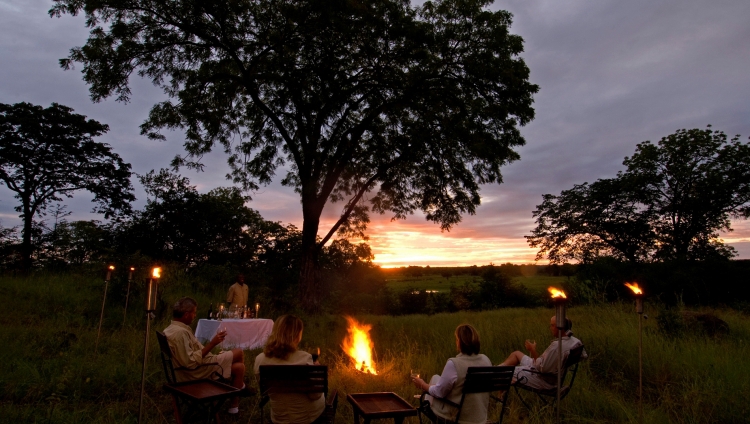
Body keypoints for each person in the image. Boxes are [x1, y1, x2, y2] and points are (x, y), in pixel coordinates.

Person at [163, 297, 250, 414]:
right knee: (239, 352)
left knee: (239, 367)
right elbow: (190, 362)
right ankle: (241, 388)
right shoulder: (180, 333)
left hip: (192, 368)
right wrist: (213, 343)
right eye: (194, 312)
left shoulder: (170, 329)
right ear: (186, 314)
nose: (195, 316)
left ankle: (234, 406)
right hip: (195, 373)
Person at [411, 324, 492, 424]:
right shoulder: (485, 360)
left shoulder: (454, 364)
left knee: (430, 397)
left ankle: (427, 402)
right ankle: (428, 397)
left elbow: (439, 393)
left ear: (460, 342)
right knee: (436, 378)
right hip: (479, 417)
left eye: (457, 339)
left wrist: (423, 385)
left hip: (458, 417)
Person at [253, 315, 325, 424]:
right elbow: (315, 395)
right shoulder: (305, 359)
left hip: (279, 418)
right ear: (297, 336)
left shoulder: (260, 360)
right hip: (308, 418)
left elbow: (266, 391)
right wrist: (316, 373)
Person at [498, 316, 587, 391]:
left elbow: (541, 368)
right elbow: (583, 356)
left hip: (544, 380)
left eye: (552, 325)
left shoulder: (557, 346)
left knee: (505, 372)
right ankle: (495, 371)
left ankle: (493, 375)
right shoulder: (575, 341)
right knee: (516, 354)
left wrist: (532, 350)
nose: (550, 328)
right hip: (551, 373)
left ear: (561, 328)